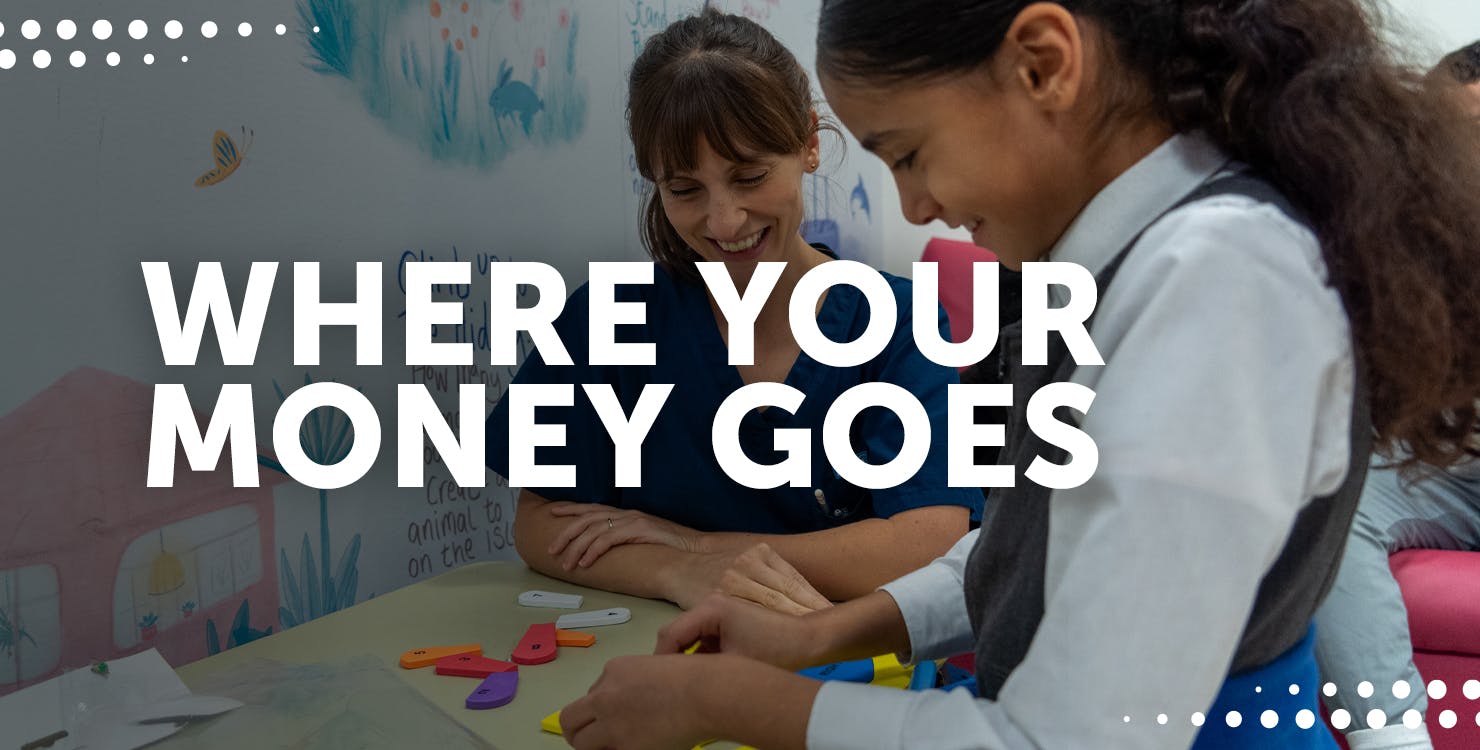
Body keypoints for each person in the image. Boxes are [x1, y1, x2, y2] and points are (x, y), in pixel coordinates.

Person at [556, 1, 1480, 749]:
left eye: (910, 154)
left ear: (1044, 63)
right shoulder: (1104, 264)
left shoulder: (1218, 282)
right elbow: (1030, 548)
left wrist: (724, 705)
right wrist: (824, 632)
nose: (915, 205)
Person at [484, 9, 982, 615]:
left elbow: (931, 538)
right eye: (685, 190)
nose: (724, 221)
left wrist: (702, 549)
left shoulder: (899, 322)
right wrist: (673, 573)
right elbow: (541, 524)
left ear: (809, 145)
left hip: (840, 684)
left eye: (749, 177)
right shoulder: (607, 321)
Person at [1310, 41, 1480, 750]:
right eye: (1441, 134)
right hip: (1451, 468)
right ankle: (1395, 742)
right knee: (1331, 486)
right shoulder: (1393, 227)